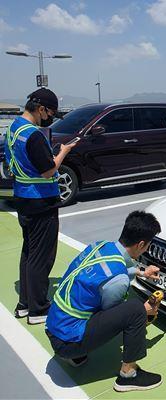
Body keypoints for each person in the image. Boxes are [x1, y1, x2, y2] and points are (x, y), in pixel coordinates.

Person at [45, 211, 163, 392]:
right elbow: (112, 312)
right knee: (134, 309)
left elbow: (110, 271)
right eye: (148, 245)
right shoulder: (120, 280)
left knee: (92, 297)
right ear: (141, 244)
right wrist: (145, 310)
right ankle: (128, 375)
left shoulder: (101, 246)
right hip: (67, 343)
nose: (147, 249)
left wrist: (141, 272)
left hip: (54, 327)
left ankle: (77, 355)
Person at [4, 88, 77, 324]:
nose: (49, 119)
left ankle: (24, 304)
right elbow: (48, 171)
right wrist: (63, 152)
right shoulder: (34, 136)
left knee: (29, 253)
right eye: (50, 114)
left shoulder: (14, 129)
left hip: (23, 200)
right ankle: (38, 310)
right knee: (42, 257)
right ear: (41, 108)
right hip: (41, 202)